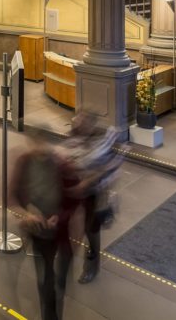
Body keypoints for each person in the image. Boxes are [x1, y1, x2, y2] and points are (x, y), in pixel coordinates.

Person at [11, 137, 79, 320]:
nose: (40, 150)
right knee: (46, 278)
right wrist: (26, 213)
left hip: (60, 234)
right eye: (36, 145)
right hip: (38, 233)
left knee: (56, 281)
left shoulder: (62, 165)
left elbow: (74, 198)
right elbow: (12, 195)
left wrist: (59, 217)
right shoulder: (24, 161)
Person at [60, 113, 122, 285]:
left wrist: (88, 180)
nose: (76, 128)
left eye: (80, 125)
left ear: (90, 125)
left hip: (95, 193)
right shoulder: (74, 139)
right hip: (74, 190)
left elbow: (111, 166)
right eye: (75, 125)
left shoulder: (104, 141)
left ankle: (91, 266)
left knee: (91, 230)